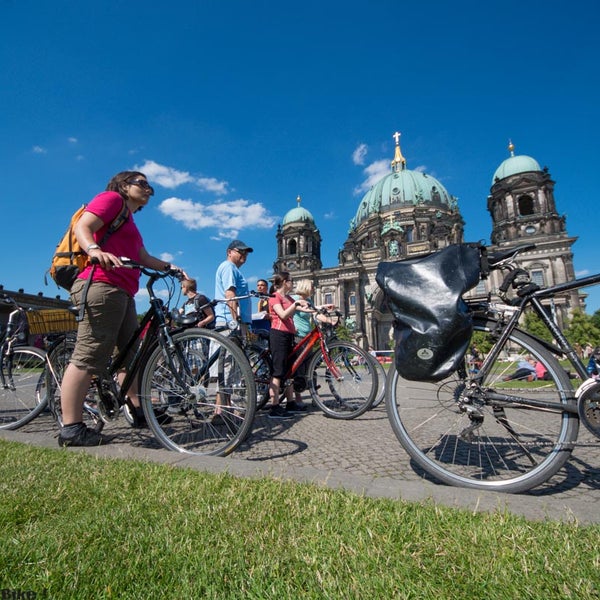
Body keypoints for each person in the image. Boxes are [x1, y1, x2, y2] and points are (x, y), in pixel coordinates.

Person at [58, 171, 185, 447]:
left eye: (150, 185)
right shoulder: (111, 199)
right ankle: (71, 428)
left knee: (131, 356)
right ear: (124, 185)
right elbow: (84, 226)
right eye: (142, 183)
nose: (148, 188)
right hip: (101, 285)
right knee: (90, 354)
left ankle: (139, 410)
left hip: (124, 292)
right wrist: (93, 249)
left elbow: (142, 257)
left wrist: (171, 268)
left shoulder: (129, 221)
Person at [268, 272, 310, 418]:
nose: (293, 284)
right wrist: (296, 304)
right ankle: (274, 407)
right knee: (278, 371)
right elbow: (283, 315)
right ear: (285, 282)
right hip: (278, 334)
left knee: (289, 372)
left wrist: (321, 308)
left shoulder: (288, 298)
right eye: (292, 281)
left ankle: (291, 403)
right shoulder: (274, 297)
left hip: (289, 335)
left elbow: (303, 308)